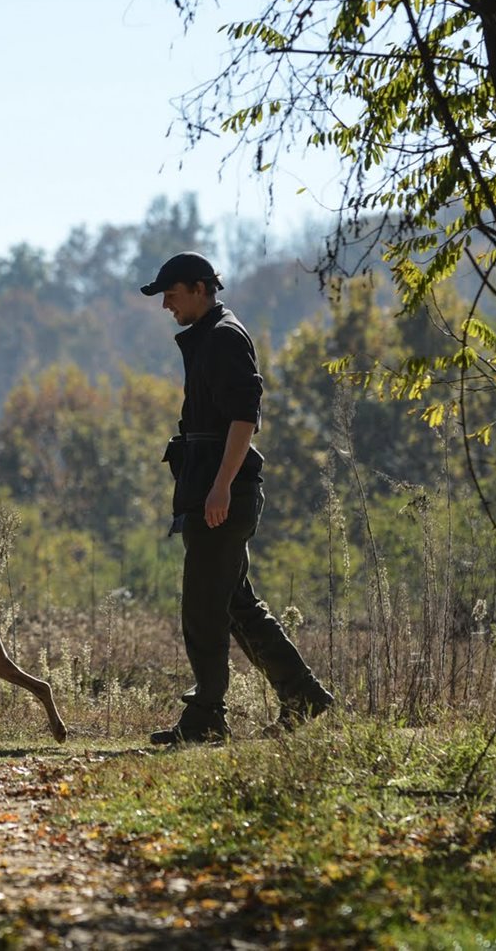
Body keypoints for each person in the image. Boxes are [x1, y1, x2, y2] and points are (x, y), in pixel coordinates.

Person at [140, 251, 334, 744]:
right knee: (234, 606)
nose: (165, 304)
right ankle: (303, 696)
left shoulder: (224, 337)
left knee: (203, 609)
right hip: (214, 490)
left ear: (201, 288)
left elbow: (245, 418)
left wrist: (221, 485)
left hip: (223, 493)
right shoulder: (209, 336)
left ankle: (206, 718)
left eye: (172, 293)